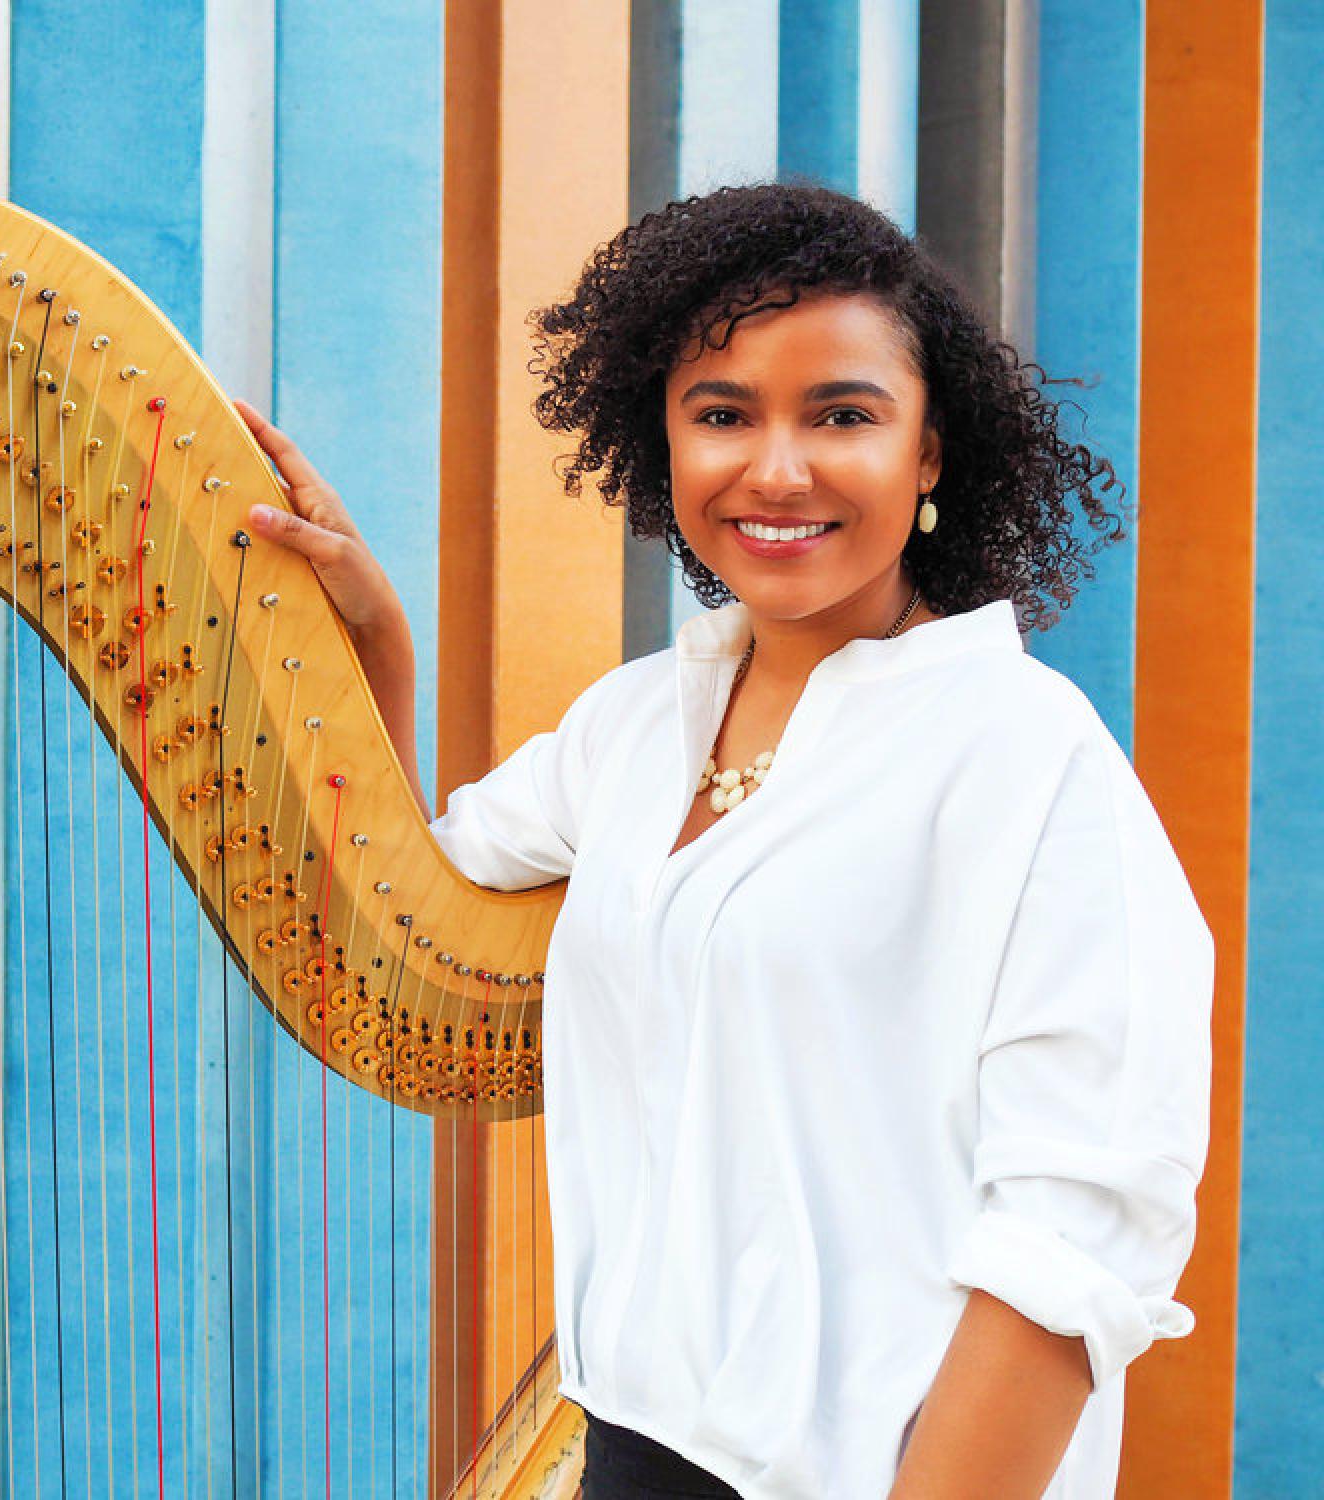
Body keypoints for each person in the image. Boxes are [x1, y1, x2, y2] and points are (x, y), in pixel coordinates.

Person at [233, 182, 1215, 1500]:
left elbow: (1077, 1251)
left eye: (844, 416)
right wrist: (377, 647)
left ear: (931, 453)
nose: (777, 469)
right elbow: (401, 912)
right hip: (626, 1453)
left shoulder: (1033, 764)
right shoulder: (633, 728)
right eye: (722, 415)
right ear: (665, 444)